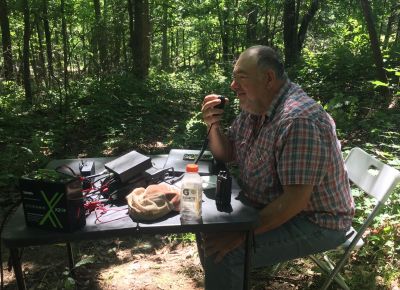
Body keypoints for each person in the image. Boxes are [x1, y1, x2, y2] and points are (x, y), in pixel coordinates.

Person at [200, 45, 355, 290]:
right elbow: (227, 153)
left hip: (317, 221)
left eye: (240, 77)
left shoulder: (298, 121)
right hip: (271, 206)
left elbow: (295, 201)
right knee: (209, 229)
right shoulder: (256, 107)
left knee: (221, 253)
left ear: (268, 78)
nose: (232, 86)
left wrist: (241, 234)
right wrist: (212, 125)